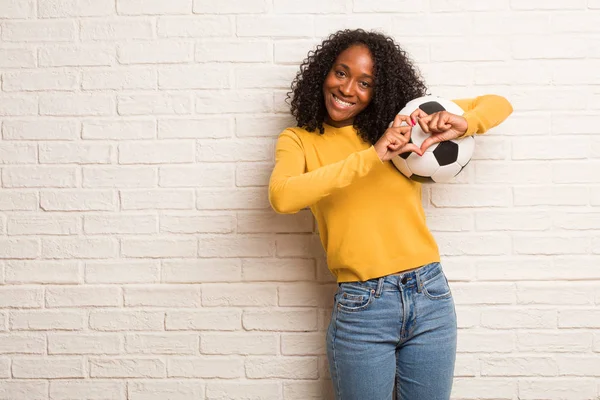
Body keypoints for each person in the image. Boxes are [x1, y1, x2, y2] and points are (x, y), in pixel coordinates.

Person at [268, 29, 513, 400]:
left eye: (365, 82)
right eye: (341, 73)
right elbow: (283, 197)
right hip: (362, 307)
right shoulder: (299, 140)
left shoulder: (403, 121)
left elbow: (498, 103)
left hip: (430, 295)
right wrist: (372, 155)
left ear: (378, 90)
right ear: (322, 73)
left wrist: (467, 122)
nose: (348, 89)